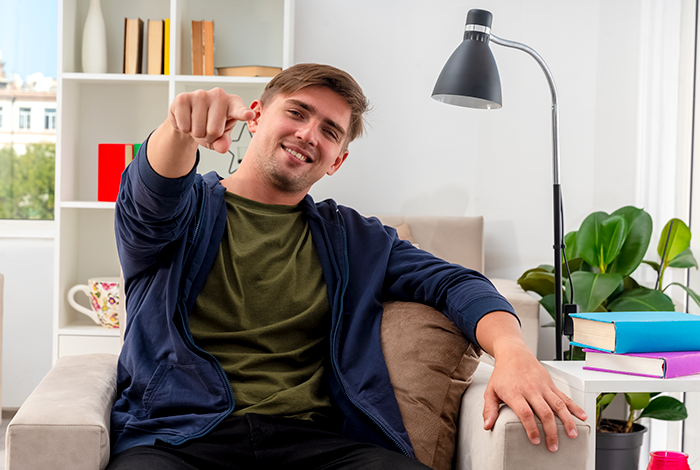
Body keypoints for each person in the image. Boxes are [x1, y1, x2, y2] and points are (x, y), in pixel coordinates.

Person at [108, 63, 586, 470]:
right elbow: (151, 193)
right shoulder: (184, 213)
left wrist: (514, 352)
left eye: (329, 131)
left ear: (338, 160)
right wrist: (179, 130)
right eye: (296, 112)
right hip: (178, 438)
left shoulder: (352, 238)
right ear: (255, 117)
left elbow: (455, 283)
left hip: (310, 442)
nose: (308, 135)